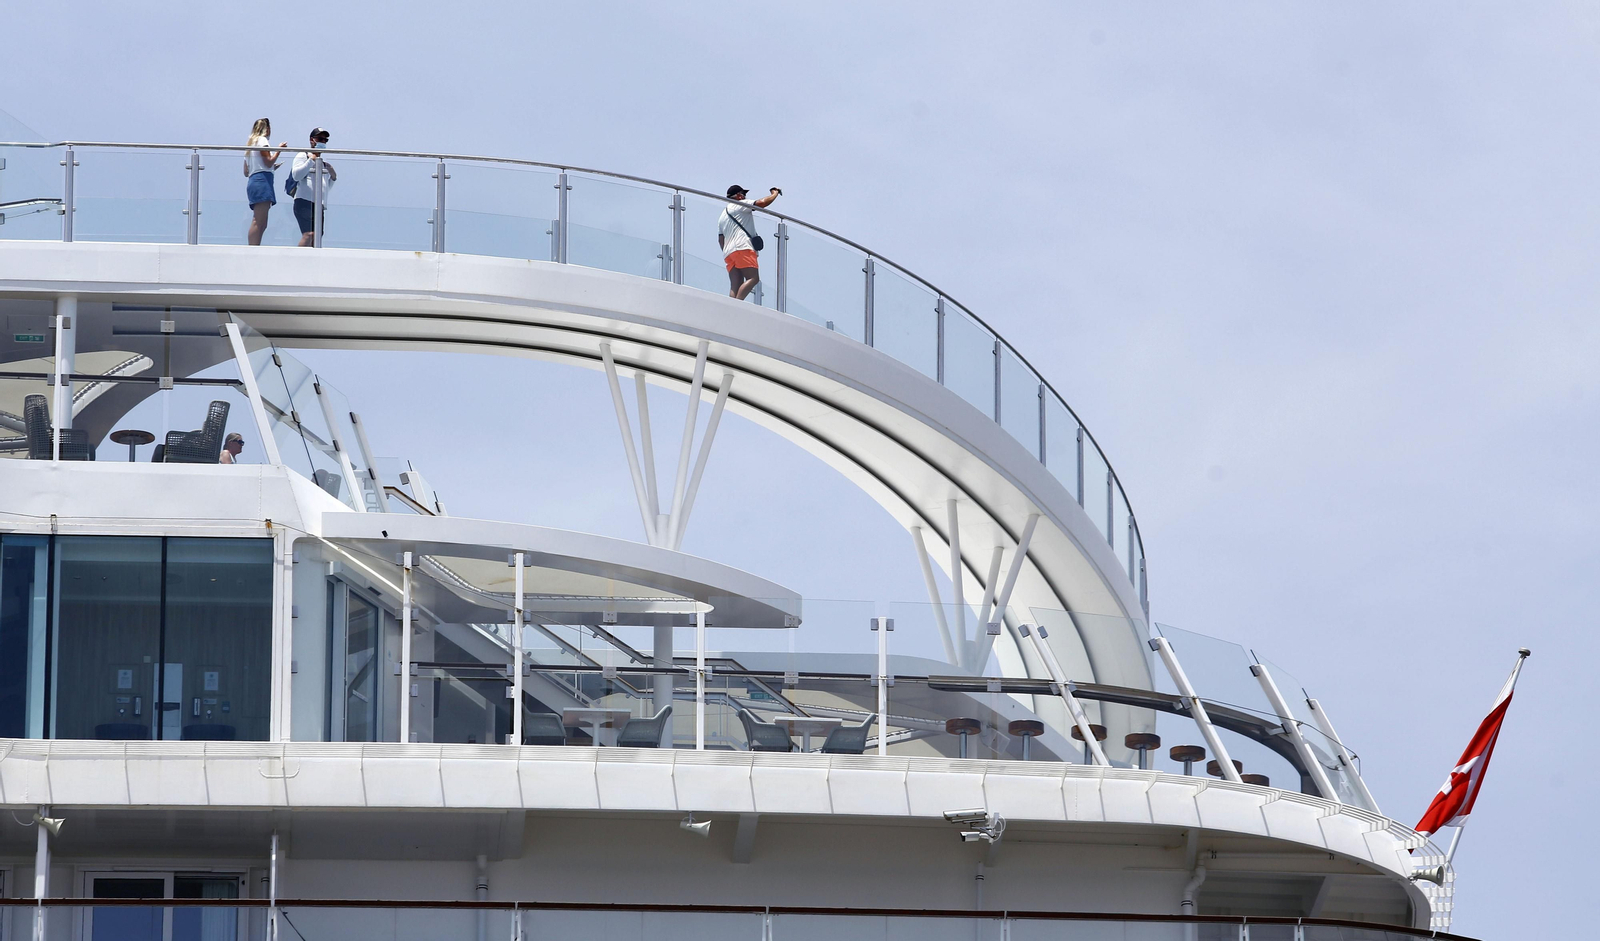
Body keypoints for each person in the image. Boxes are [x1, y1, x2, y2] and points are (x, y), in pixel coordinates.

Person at [717, 185, 781, 300]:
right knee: (753, 278)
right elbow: (762, 203)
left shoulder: (722, 215)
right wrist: (774, 194)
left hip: (729, 253)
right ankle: (738, 307)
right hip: (742, 247)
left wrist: (730, 252)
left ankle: (730, 310)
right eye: (743, 194)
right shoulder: (740, 205)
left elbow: (721, 239)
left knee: (735, 286)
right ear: (738, 195)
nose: (745, 196)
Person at [289, 127, 337, 247]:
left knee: (317, 237)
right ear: (312, 140)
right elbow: (296, 175)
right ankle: (297, 259)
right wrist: (311, 160)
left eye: (325, 140)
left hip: (318, 205)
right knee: (309, 234)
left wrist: (333, 177)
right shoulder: (303, 155)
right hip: (304, 201)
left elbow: (325, 187)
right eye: (320, 139)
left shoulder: (323, 161)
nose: (323, 142)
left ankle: (309, 261)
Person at [243, 118, 286, 245]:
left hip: (254, 180)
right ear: (266, 129)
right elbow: (268, 162)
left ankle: (255, 246)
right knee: (259, 221)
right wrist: (279, 150)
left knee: (261, 221)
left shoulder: (250, 144)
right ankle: (253, 248)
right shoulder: (262, 140)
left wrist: (271, 167)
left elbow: (246, 171)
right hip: (262, 181)